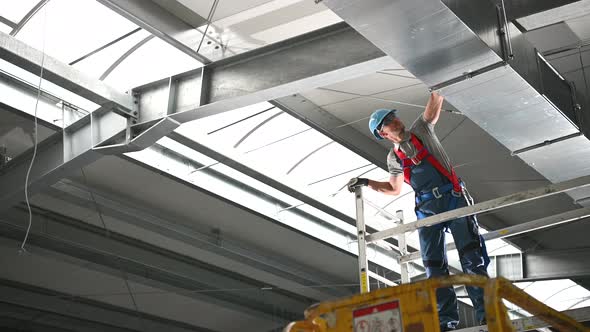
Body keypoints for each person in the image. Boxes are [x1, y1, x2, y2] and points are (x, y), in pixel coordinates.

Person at [347, 92, 489, 331]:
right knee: (434, 266)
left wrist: (438, 81)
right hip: (426, 208)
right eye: (390, 121)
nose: (397, 121)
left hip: (453, 198)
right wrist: (367, 182)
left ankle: (487, 315)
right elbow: (394, 188)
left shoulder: (422, 129)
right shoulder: (394, 157)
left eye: (395, 117)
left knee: (471, 256)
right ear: (383, 133)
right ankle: (447, 322)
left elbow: (437, 99)